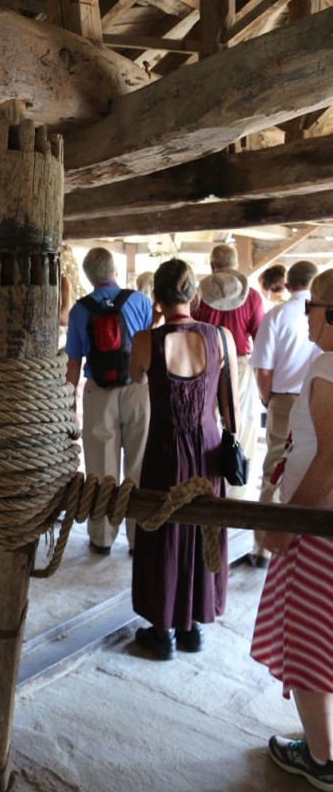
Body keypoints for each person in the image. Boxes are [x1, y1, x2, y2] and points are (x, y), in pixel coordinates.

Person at [129, 259, 240, 660]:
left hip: (164, 449)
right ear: (194, 295)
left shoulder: (145, 341)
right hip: (208, 448)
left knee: (162, 534)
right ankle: (192, 627)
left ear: (157, 299)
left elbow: (137, 377)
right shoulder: (221, 337)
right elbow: (230, 405)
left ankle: (163, 632)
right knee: (201, 530)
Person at [250, 268, 333, 792]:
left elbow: (328, 461)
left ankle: (322, 757)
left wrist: (286, 524)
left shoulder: (328, 368)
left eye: (314, 308)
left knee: (308, 641)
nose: (306, 315)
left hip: (317, 527)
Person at [66, 247, 152, 556]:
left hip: (99, 393)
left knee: (102, 467)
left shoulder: (79, 310)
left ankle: (102, 537)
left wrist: (68, 401)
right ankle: (139, 538)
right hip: (138, 388)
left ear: (89, 276)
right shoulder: (140, 301)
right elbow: (150, 346)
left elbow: (73, 361)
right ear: (114, 269)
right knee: (139, 463)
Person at [248, 260, 319, 568]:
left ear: (287, 285)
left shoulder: (276, 315)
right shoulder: (320, 316)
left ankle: (263, 547)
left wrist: (268, 398)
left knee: (274, 470)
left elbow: (263, 367)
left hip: (285, 399)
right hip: (317, 395)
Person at [193, 243, 264, 497]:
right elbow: (259, 337)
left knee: (205, 424)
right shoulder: (252, 297)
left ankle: (206, 485)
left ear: (212, 265)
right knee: (241, 427)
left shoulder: (198, 294)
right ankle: (236, 490)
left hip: (203, 363)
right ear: (235, 267)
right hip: (241, 365)